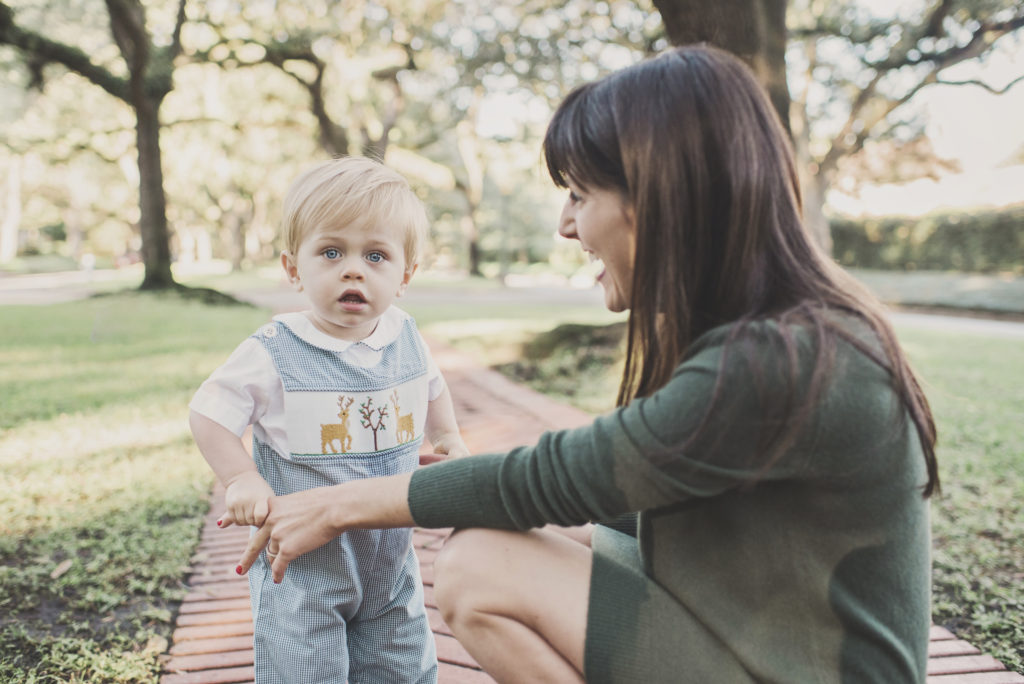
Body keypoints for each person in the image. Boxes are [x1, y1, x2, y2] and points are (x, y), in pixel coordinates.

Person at [234, 46, 939, 684]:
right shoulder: (783, 335)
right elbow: (614, 500)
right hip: (770, 638)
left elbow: (560, 477)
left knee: (482, 568)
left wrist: (337, 504)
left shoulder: (779, 361)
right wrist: (464, 489)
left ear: (656, 197)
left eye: (579, 195)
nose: (565, 226)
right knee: (535, 533)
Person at [189, 156, 469, 684]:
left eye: (377, 255)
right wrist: (241, 476)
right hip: (300, 571)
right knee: (306, 671)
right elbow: (209, 413)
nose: (353, 269)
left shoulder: (405, 335)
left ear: (405, 274)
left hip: (390, 566)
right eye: (332, 251)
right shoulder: (274, 350)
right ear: (294, 267)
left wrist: (448, 435)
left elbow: (432, 385)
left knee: (403, 667)